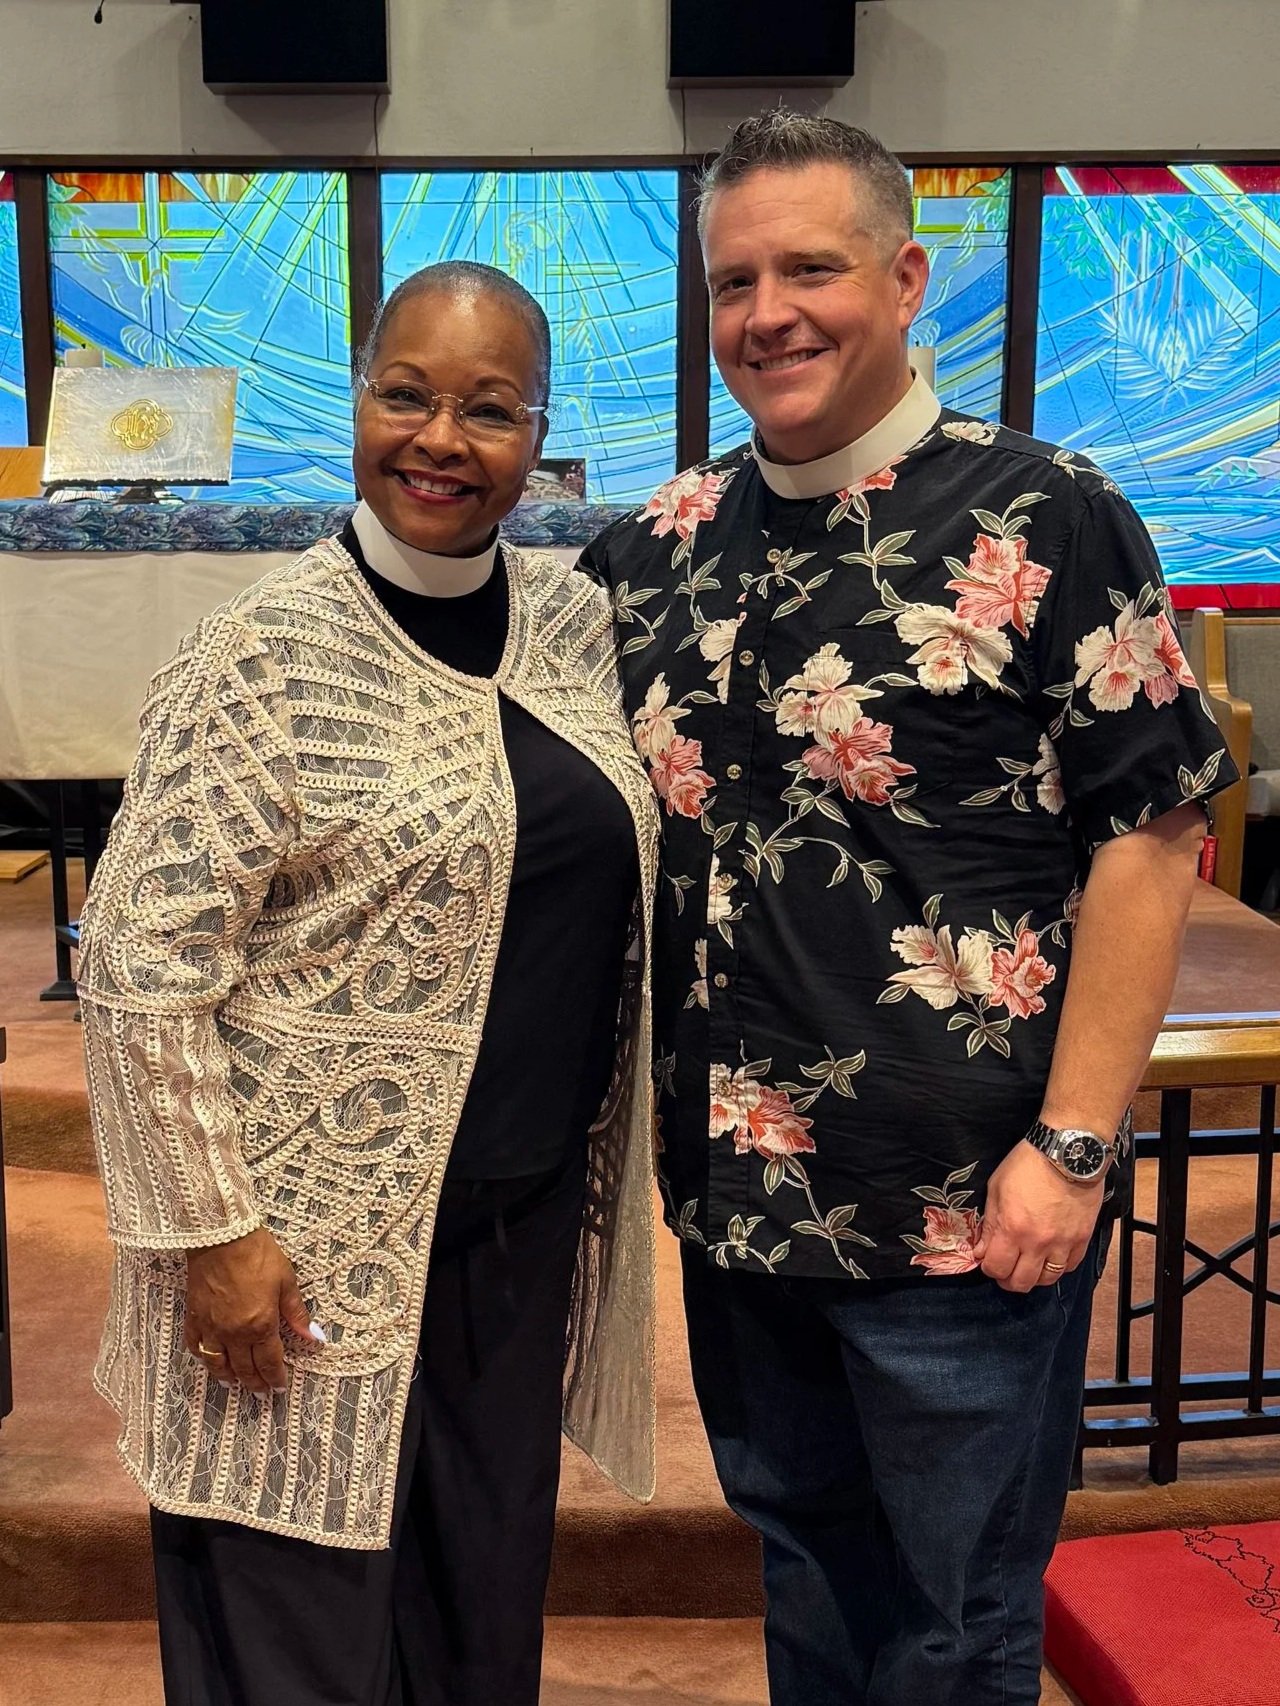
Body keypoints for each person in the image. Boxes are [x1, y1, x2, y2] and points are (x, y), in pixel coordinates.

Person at [580, 111, 1237, 1705]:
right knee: (806, 1572)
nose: (768, 313)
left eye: (812, 267)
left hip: (972, 1208)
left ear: (907, 277)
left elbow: (1155, 834)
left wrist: (1076, 1147)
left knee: (950, 1624)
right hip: (738, 1199)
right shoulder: (651, 551)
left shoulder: (1048, 515)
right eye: (736, 280)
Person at [77, 259, 660, 1706]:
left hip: (512, 1239)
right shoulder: (264, 655)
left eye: (490, 408)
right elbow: (144, 966)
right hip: (296, 1251)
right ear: (356, 398)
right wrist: (212, 1230)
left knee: (476, 1624)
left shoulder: (575, 627)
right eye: (406, 394)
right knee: (299, 1643)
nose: (441, 440)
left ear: (540, 435)